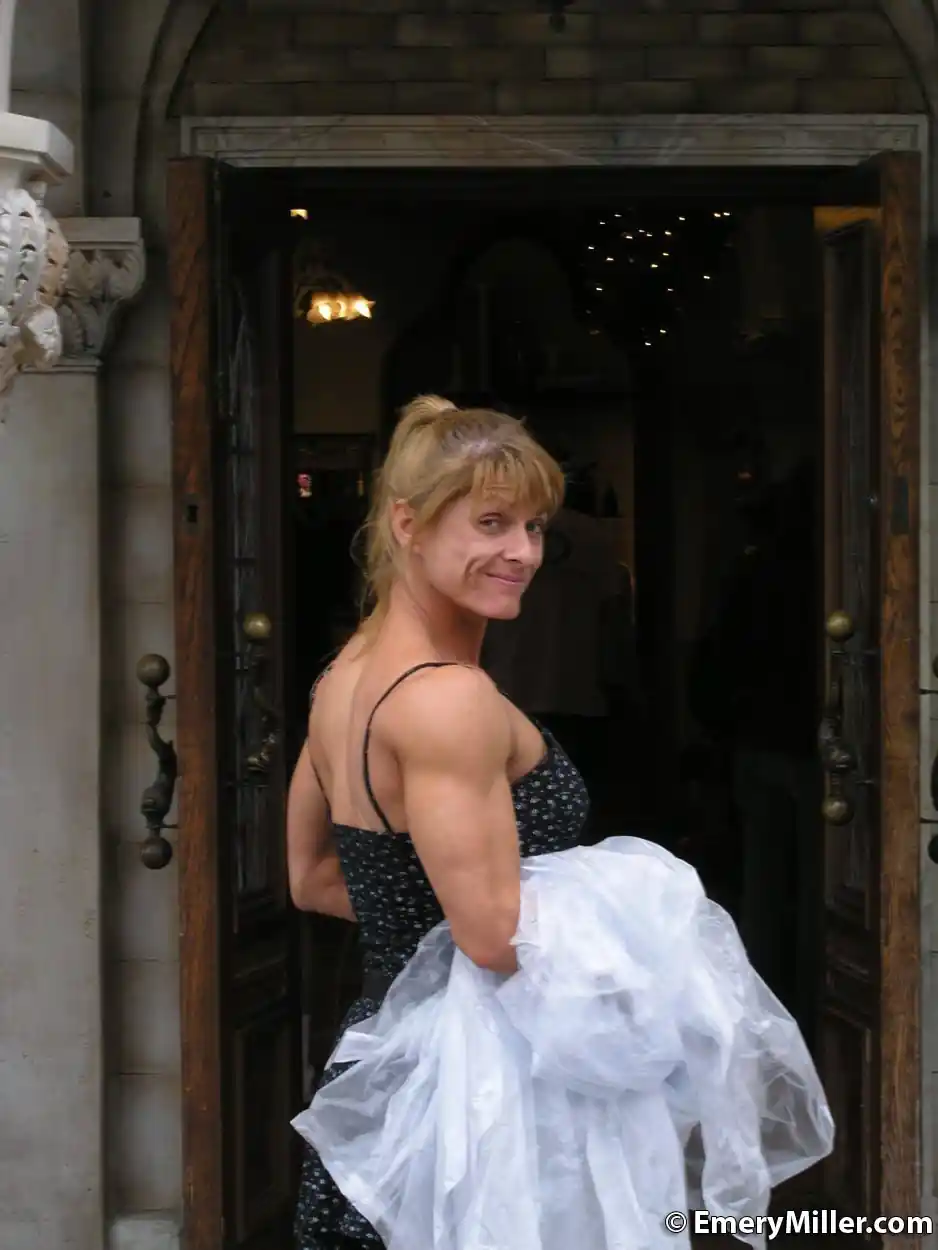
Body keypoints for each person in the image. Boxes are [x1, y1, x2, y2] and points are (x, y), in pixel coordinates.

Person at [286, 394, 586, 1250]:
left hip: (387, 1056)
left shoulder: (345, 673)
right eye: (492, 522)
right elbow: (492, 938)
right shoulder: (448, 699)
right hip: (469, 1088)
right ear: (408, 524)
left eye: (533, 526)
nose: (522, 551)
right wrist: (642, 937)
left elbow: (311, 879)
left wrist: (422, 933)